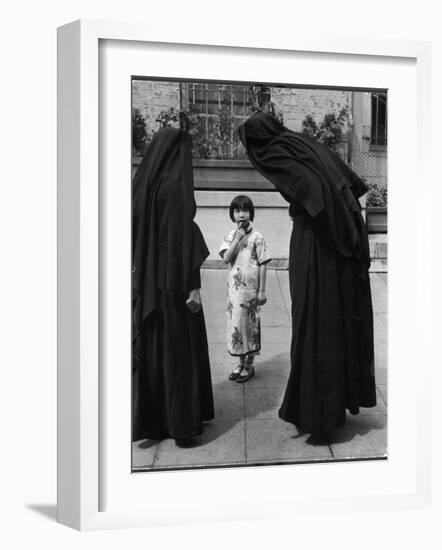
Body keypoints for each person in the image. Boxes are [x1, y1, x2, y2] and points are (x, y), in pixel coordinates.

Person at [239, 111, 376, 435]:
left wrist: (312, 219)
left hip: (317, 242)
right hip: (336, 240)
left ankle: (318, 413)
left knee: (313, 320)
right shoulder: (301, 143)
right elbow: (341, 186)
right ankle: (328, 407)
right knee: (330, 319)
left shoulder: (279, 151)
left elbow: (314, 194)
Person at [132, 126, 214, 444]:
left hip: (151, 284)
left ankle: (156, 423)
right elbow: (182, 237)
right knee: (179, 355)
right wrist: (193, 285)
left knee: (157, 353)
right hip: (176, 284)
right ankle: (182, 424)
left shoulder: (145, 185)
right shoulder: (177, 186)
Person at [219, 195, 271, 383]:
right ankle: (240, 363)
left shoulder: (258, 237)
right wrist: (237, 239)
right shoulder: (229, 236)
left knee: (249, 326)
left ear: (251, 213)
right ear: (232, 214)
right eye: (237, 210)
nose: (241, 214)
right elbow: (226, 258)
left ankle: (249, 364)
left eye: (245, 210)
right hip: (234, 292)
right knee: (236, 325)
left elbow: (263, 263)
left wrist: (262, 290)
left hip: (250, 291)